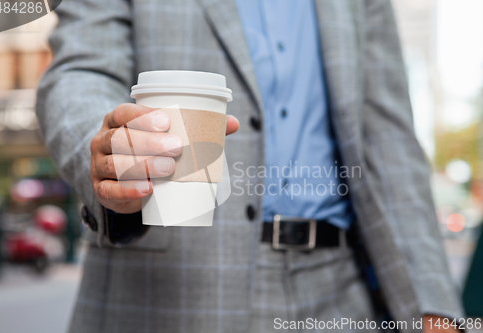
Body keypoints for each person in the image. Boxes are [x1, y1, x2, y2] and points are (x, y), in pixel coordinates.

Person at [37, 0, 464, 332]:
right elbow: (81, 71)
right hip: (173, 291)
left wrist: (434, 305)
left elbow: (389, 136)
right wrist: (113, 154)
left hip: (344, 290)